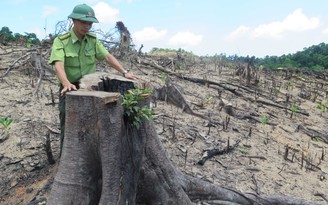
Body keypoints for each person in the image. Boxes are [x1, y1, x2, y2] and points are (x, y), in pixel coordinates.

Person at [49, 3, 139, 156]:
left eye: (90, 23)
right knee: (68, 124)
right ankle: (65, 158)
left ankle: (90, 156)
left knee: (92, 124)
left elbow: (107, 57)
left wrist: (124, 72)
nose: (87, 26)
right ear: (74, 21)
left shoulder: (92, 40)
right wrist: (66, 83)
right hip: (70, 88)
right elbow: (58, 64)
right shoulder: (61, 41)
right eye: (84, 22)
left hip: (90, 89)